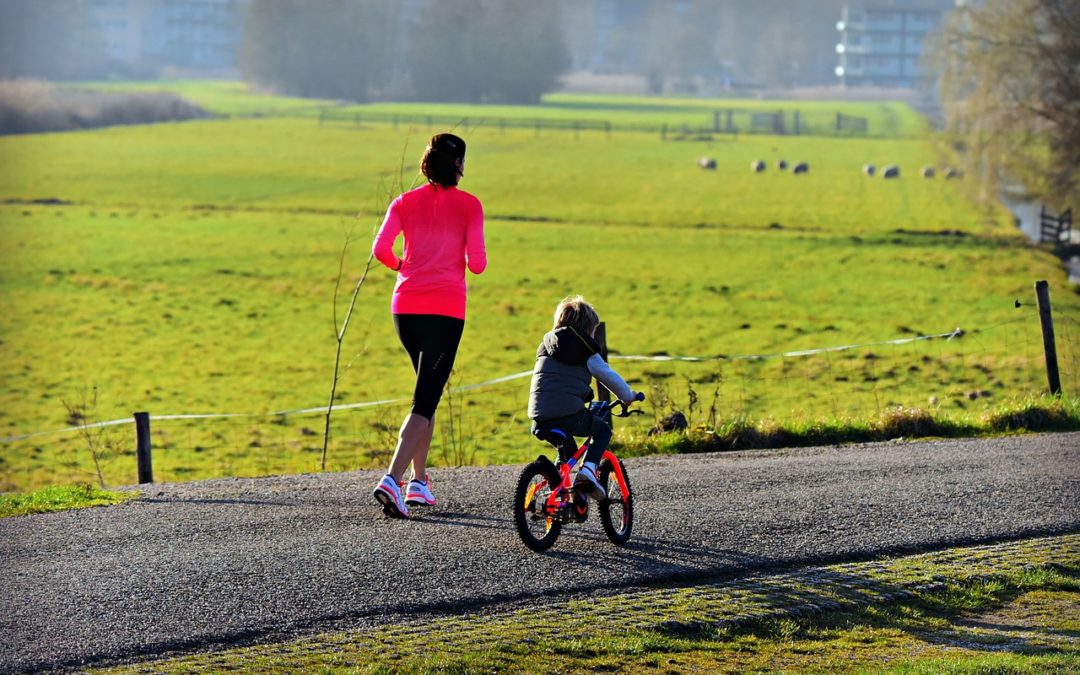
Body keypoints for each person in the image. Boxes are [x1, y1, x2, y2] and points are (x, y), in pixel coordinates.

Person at [370, 132, 486, 519]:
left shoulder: (404, 202)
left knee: (427, 392)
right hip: (445, 311)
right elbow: (478, 264)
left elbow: (380, 250)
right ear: (457, 165)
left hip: (405, 309)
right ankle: (392, 479)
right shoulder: (470, 206)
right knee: (425, 398)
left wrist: (402, 267)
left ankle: (419, 483)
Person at [527, 295, 638, 499]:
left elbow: (558, 381)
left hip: (538, 416)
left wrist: (585, 393)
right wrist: (627, 395)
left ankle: (559, 493)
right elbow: (609, 377)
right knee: (603, 430)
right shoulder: (585, 350)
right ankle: (587, 471)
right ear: (587, 329)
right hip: (567, 414)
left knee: (569, 454)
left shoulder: (546, 346)